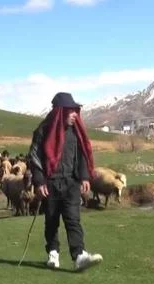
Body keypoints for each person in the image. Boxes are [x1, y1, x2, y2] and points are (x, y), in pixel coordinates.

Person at [27, 92, 103, 271]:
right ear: (60, 112)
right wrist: (39, 182)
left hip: (71, 182)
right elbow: (34, 158)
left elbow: (82, 155)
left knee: (73, 219)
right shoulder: (42, 131)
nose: (75, 114)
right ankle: (53, 253)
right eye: (71, 111)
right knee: (51, 220)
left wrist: (84, 177)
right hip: (50, 184)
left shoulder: (76, 132)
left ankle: (79, 256)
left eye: (76, 110)